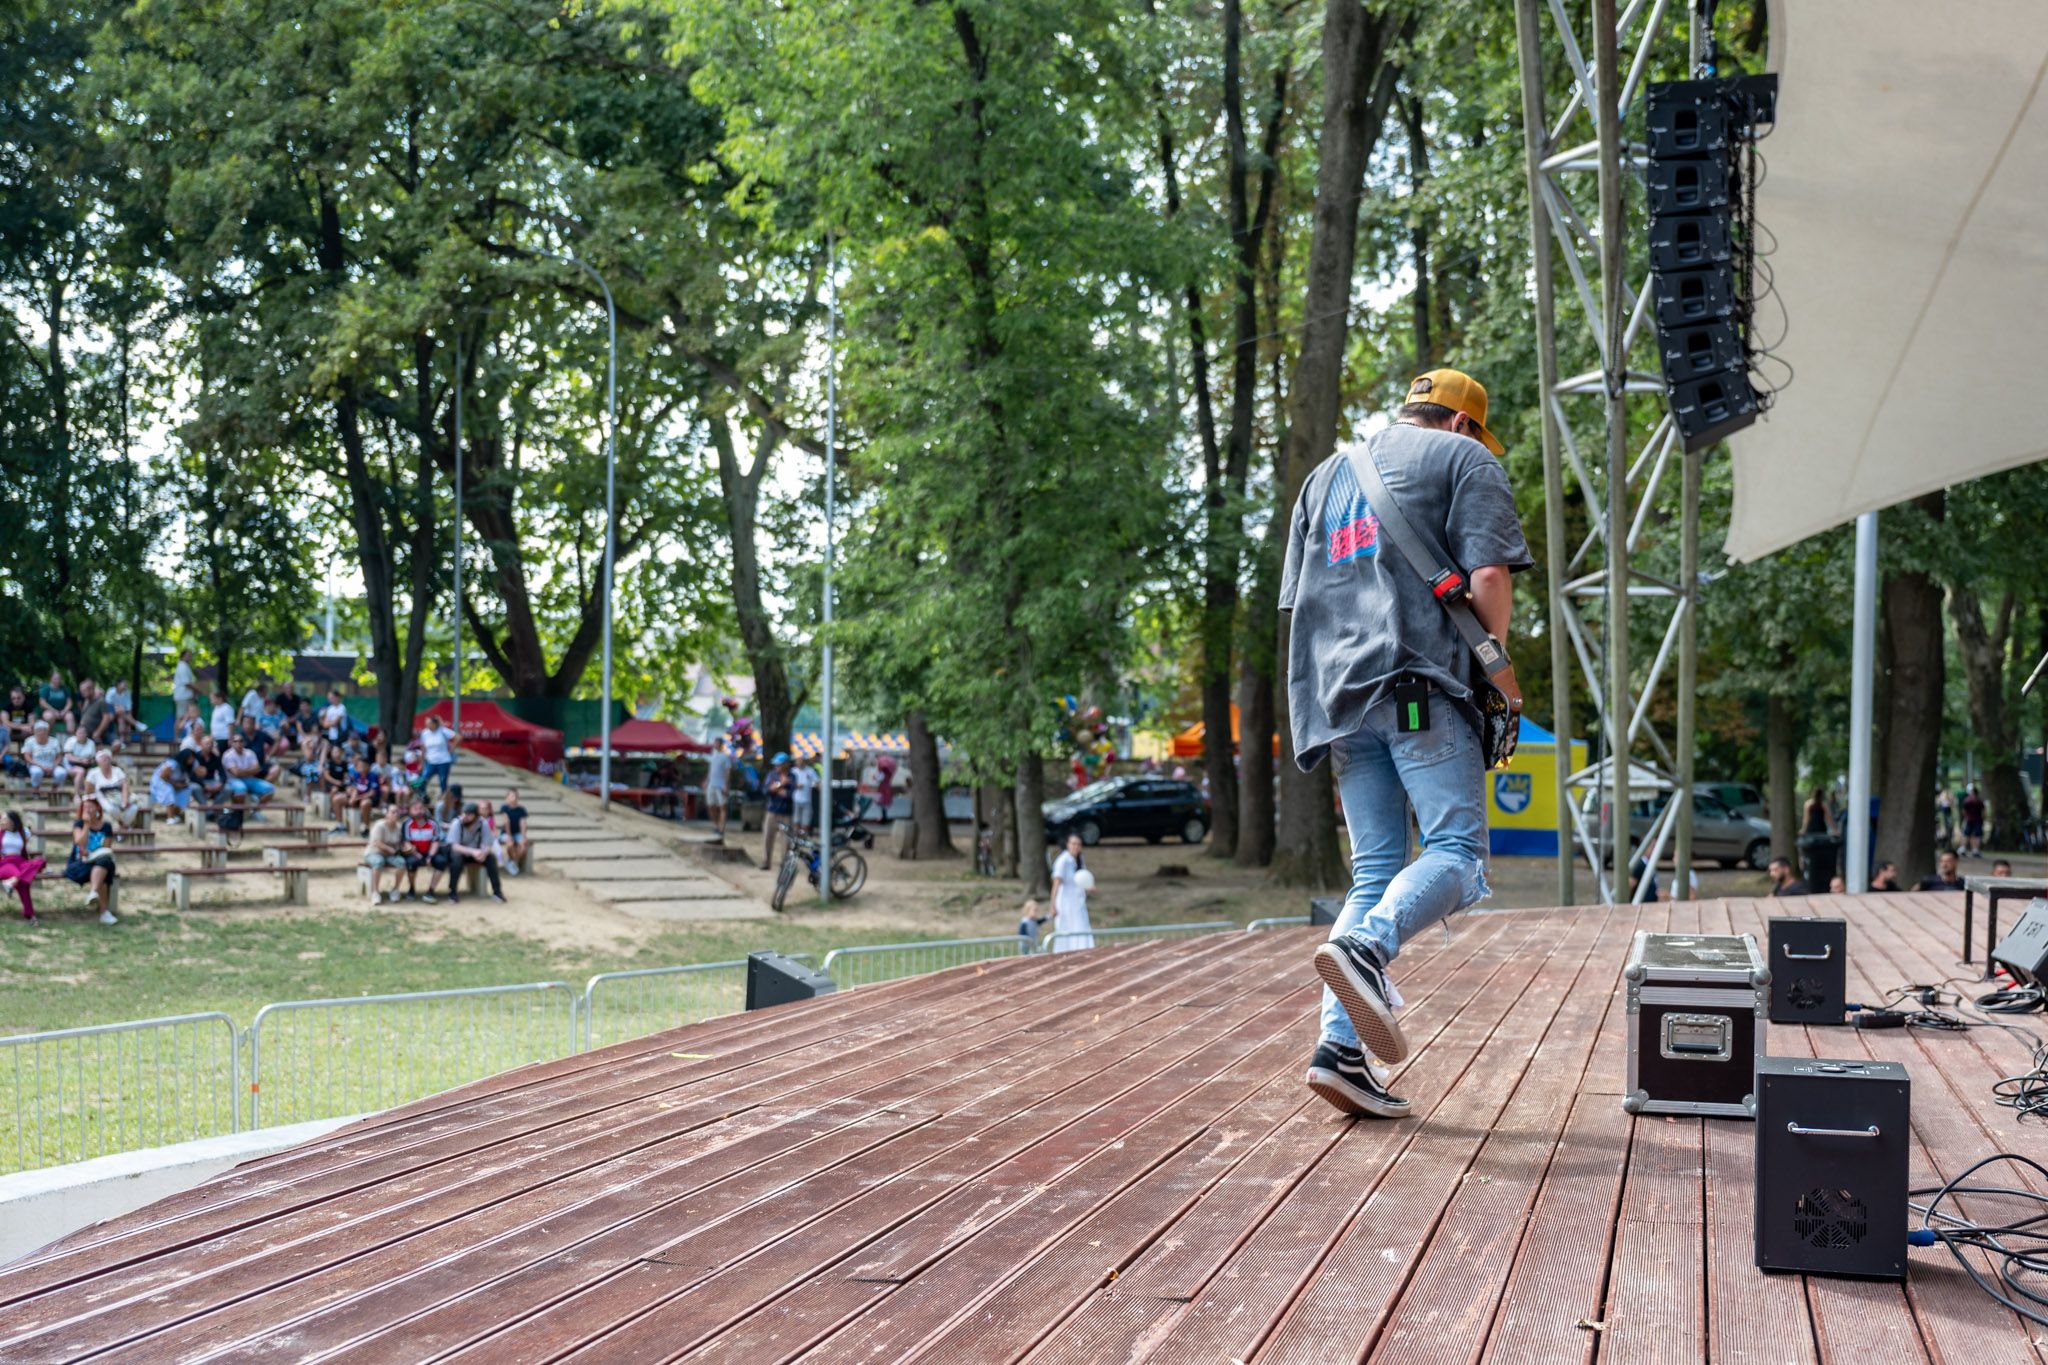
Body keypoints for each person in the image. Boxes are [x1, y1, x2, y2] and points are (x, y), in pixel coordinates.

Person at [1281, 369, 1530, 1121]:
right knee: (1459, 852)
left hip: (1338, 700)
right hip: (1418, 687)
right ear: (1460, 424)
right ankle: (1370, 949)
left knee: (1375, 870)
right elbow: (1489, 575)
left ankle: (1338, 1052)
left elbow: (1299, 605)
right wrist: (1498, 675)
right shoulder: (1464, 458)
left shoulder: (1323, 479)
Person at [66, 797, 119, 925]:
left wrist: (93, 853)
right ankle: (103, 911)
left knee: (104, 863)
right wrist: (87, 825)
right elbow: (79, 843)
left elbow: (106, 849)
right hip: (80, 863)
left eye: (91, 806)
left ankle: (93, 893)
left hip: (99, 861)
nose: (88, 809)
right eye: (85, 807)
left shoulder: (106, 826)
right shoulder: (79, 824)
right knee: (103, 870)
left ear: (98, 808)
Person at [448, 803, 506, 903]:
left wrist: (484, 853)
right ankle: (452, 892)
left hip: (477, 853)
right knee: (456, 860)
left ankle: (497, 892)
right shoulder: (456, 823)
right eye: (464, 814)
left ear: (476, 816)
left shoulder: (483, 823)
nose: (465, 817)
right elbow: (454, 846)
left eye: (469, 815)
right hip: (461, 852)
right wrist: (473, 852)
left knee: (491, 858)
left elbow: (487, 844)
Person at [1049, 833, 1095, 951]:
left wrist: (1089, 887)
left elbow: (1081, 879)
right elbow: (1056, 884)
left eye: (1078, 844)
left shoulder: (1080, 859)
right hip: (1065, 901)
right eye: (1073, 844)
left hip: (1078, 901)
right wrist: (1052, 905)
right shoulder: (1063, 860)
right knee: (1066, 928)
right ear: (1068, 844)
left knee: (1081, 926)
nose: (1076, 847)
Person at [0, 810, 45, 921]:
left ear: (12, 821)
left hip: (21, 861)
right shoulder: (1, 832)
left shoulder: (23, 832)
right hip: (6, 862)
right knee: (22, 881)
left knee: (41, 861)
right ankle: (30, 914)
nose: (2, 821)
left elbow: (25, 847)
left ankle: (13, 881)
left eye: (4, 819)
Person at [361, 805, 408, 904]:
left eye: (397, 812)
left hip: (390, 855)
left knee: (402, 863)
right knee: (378, 862)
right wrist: (391, 850)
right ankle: (375, 892)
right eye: (393, 812)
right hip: (374, 853)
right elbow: (376, 843)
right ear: (387, 814)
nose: (395, 814)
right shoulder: (379, 825)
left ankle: (395, 889)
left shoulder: (399, 827)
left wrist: (405, 848)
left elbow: (400, 842)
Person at [221, 732, 276, 812]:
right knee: (241, 788)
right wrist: (250, 770)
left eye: (241, 741)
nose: (238, 743)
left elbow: (257, 769)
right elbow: (236, 773)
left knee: (270, 789)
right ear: (231, 743)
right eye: (235, 741)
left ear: (244, 742)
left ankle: (254, 811)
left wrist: (242, 771)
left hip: (250, 779)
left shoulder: (250, 753)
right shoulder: (227, 755)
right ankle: (239, 813)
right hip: (233, 780)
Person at [83, 750, 136, 828]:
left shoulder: (117, 770)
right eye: (102, 758)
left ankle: (123, 826)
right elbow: (88, 791)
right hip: (101, 796)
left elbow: (125, 786)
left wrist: (124, 801)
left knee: (134, 808)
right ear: (98, 761)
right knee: (112, 809)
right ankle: (122, 825)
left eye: (107, 757)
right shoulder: (93, 773)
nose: (105, 760)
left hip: (118, 795)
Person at [760, 753, 794, 872]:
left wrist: (776, 788)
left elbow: (790, 794)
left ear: (786, 764)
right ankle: (765, 862)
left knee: (786, 841)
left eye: (779, 764)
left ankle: (784, 864)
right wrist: (781, 784)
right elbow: (766, 790)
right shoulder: (772, 775)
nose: (776, 766)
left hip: (786, 813)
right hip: (772, 811)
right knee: (767, 837)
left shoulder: (792, 776)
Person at [401, 799, 440, 900]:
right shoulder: (407, 824)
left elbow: (435, 842)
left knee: (441, 861)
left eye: (421, 808)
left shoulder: (433, 823)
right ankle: (412, 888)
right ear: (410, 810)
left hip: (430, 852)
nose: (419, 811)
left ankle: (431, 891)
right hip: (414, 853)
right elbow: (406, 842)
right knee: (411, 863)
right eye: (415, 809)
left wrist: (430, 856)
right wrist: (417, 854)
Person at [418, 714, 455, 794]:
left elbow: (458, 737)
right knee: (422, 780)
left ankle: (443, 798)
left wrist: (451, 749)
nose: (428, 726)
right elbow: (423, 748)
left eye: (429, 724)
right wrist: (421, 762)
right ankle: (424, 796)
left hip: (443, 761)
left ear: (434, 724)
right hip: (430, 761)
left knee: (443, 782)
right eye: (427, 724)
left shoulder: (443, 731)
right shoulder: (425, 733)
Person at [704, 740, 732, 843]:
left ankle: (721, 828)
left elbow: (728, 771)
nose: (715, 745)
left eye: (717, 743)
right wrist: (706, 781)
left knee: (723, 806)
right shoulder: (712, 756)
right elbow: (711, 771)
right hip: (712, 784)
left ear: (720, 745)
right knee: (711, 806)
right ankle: (717, 825)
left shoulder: (725, 757)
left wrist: (726, 785)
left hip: (721, 785)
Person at [149, 752, 192, 819]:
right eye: (190, 758)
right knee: (169, 790)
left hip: (172, 783)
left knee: (186, 790)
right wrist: (176, 784)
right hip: (160, 782)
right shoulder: (172, 763)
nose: (192, 760)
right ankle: (170, 817)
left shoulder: (186, 766)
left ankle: (175, 815)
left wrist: (182, 785)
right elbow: (163, 776)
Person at [22, 722, 64, 790]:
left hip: (52, 765)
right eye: (40, 730)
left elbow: (59, 756)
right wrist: (41, 766)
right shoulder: (29, 741)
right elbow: (27, 756)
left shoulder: (54, 741)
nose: (42, 732)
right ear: (35, 731)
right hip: (35, 764)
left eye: (44, 730)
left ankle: (54, 789)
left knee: (61, 772)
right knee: (37, 772)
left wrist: (53, 766)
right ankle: (36, 789)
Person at [500, 789, 530, 875]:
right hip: (506, 833)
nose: (514, 798)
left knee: (523, 845)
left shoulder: (521, 810)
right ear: (507, 797)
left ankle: (511, 861)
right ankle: (511, 863)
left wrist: (523, 837)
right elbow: (506, 822)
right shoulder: (504, 808)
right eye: (512, 796)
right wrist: (509, 836)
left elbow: (523, 823)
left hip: (517, 833)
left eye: (516, 796)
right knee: (510, 844)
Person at [792, 754, 819, 835]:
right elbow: (789, 783)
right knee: (796, 820)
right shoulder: (793, 771)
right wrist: (795, 785)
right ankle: (796, 836)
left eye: (801, 761)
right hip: (795, 800)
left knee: (806, 821)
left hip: (807, 800)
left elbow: (816, 782)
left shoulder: (810, 771)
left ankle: (803, 836)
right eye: (798, 762)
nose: (799, 763)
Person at [104, 678, 134, 747]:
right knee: (120, 712)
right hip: (111, 712)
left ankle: (121, 741)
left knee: (121, 717)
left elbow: (128, 708)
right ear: (118, 684)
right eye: (124, 684)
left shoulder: (127, 693)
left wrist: (129, 716)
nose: (126, 686)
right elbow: (107, 704)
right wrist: (117, 707)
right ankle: (136, 724)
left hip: (122, 713)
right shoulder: (111, 691)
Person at [1961, 784, 1987, 859]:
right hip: (1977, 820)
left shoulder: (1967, 800)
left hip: (1970, 820)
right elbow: (1983, 812)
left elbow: (1964, 811)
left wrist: (1965, 817)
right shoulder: (1979, 801)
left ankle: (1964, 849)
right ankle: (1975, 850)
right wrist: (1983, 819)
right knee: (1976, 835)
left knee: (1967, 834)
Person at [171, 648, 197, 716]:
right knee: (182, 717)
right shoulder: (183, 667)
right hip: (183, 696)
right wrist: (196, 690)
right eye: (188, 655)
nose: (190, 657)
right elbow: (186, 683)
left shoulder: (184, 666)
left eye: (190, 655)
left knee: (186, 717)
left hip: (185, 696)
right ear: (182, 656)